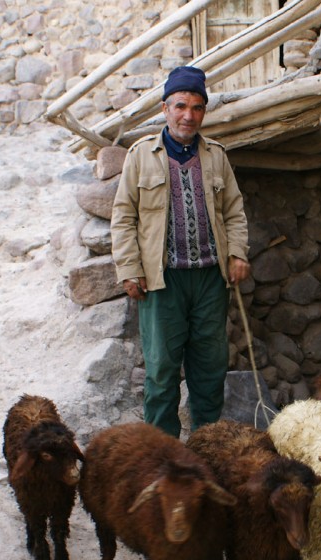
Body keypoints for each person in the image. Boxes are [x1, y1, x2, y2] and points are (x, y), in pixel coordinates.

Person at [111, 65, 251, 438]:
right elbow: (123, 216)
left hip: (209, 279)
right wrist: (129, 268)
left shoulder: (216, 156)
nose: (188, 115)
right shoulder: (140, 156)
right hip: (162, 281)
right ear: (165, 108)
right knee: (161, 371)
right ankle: (163, 456)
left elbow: (234, 210)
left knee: (210, 368)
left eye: (197, 107)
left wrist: (237, 252)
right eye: (180, 106)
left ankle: (208, 450)